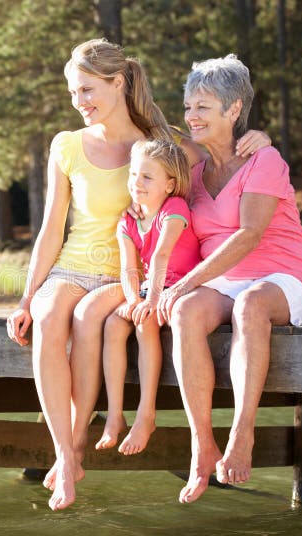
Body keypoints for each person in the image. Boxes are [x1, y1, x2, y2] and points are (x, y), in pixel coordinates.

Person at [6, 39, 269, 511]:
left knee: (88, 318)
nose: (79, 102)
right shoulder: (66, 145)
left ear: (117, 83)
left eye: (87, 90)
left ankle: (78, 448)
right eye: (72, 93)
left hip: (125, 277)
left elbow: (224, 154)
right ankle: (66, 456)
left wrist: (262, 140)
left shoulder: (163, 145)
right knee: (47, 320)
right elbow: (50, 228)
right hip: (71, 266)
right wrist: (26, 297)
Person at [154, 54, 302, 505]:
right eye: (188, 106)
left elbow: (249, 235)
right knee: (184, 312)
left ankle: (242, 432)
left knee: (250, 305)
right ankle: (201, 442)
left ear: (233, 110)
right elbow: (144, 151)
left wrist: (186, 280)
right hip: (224, 282)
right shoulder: (194, 168)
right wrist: (175, 288)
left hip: (280, 278)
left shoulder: (265, 159)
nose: (191, 116)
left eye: (203, 106)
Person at [94, 139, 200, 456]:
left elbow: (162, 256)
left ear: (170, 184)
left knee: (145, 325)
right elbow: (129, 268)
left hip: (183, 288)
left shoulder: (175, 210)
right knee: (114, 325)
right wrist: (133, 299)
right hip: (147, 290)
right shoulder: (127, 221)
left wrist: (150, 301)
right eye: (133, 175)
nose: (136, 183)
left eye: (147, 177)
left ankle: (146, 414)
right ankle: (115, 415)